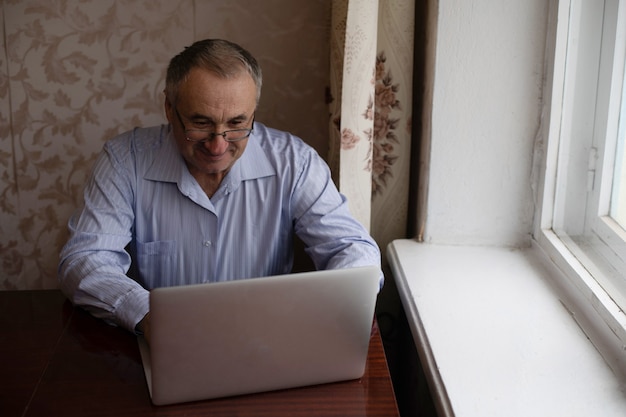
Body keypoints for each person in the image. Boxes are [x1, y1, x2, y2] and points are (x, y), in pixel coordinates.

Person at [58, 38, 382, 340]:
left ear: (253, 112)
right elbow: (85, 259)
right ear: (170, 109)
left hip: (268, 342)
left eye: (237, 124)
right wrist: (147, 312)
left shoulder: (294, 162)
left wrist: (328, 306)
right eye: (201, 123)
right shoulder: (124, 161)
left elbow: (352, 248)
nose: (217, 145)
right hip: (163, 343)